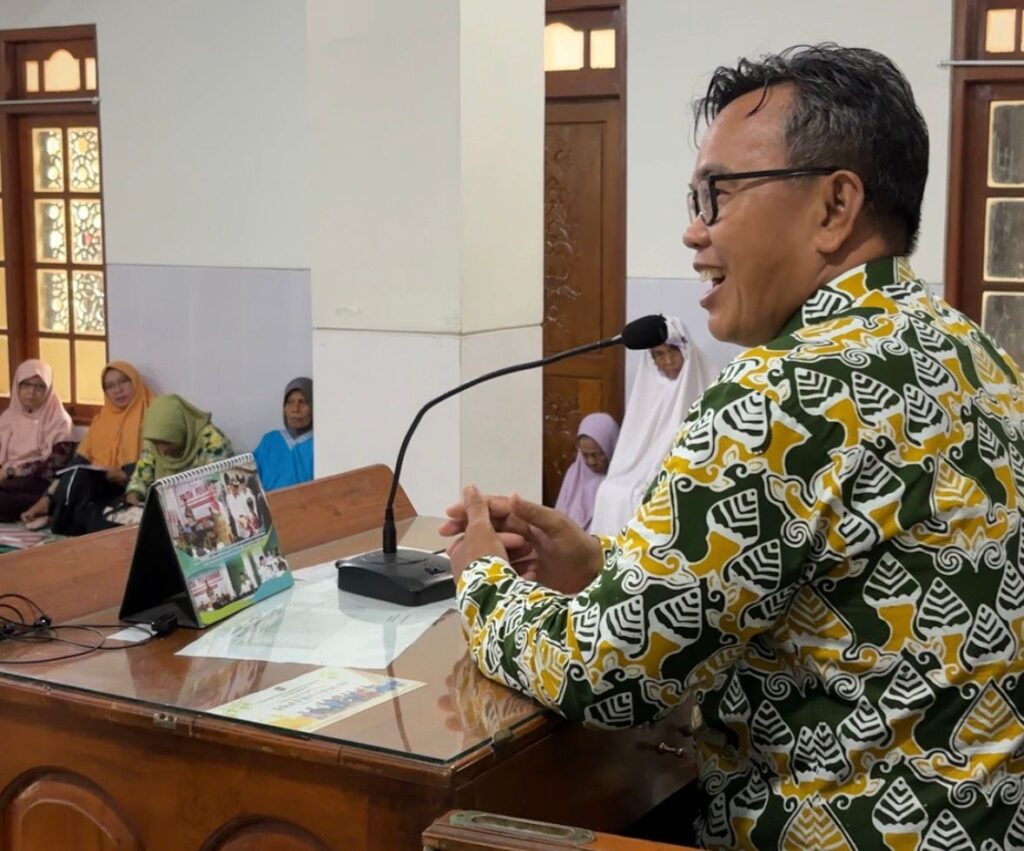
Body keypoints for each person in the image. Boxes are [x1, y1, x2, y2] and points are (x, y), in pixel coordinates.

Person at [441, 45, 1024, 849]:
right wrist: (601, 564)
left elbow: (608, 673)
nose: (692, 229)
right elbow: (816, 586)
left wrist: (481, 583)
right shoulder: (973, 353)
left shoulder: (782, 392)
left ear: (835, 205)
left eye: (718, 194)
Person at [589, 317, 717, 535]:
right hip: (641, 475)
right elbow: (633, 449)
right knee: (609, 492)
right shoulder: (649, 390)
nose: (668, 361)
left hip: (687, 479)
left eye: (673, 351)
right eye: (659, 354)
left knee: (643, 497)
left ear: (686, 351)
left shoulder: (709, 384)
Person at [21, 361, 155, 534]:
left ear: (135, 381)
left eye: (123, 381)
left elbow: (161, 460)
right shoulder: (102, 420)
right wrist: (47, 497)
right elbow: (79, 461)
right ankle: (52, 511)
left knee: (97, 519)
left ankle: (60, 519)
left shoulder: (153, 412)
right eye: (110, 386)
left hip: (134, 486)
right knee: (78, 474)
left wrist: (126, 473)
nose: (118, 390)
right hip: (103, 484)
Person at [123, 395, 233, 505]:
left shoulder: (213, 442)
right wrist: (134, 495)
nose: (162, 450)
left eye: (167, 443)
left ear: (180, 432)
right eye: (156, 443)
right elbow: (141, 477)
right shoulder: (153, 442)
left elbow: (217, 488)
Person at [0, 360, 74, 521]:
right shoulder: (8, 417)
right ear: (17, 386)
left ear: (49, 389)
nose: (31, 392)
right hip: (7, 479)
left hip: (39, 482)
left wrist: (12, 472)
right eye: (25, 385)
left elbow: (54, 467)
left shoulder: (59, 420)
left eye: (40, 386)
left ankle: (45, 507)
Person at [553, 412, 619, 531]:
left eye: (596, 455)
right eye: (585, 455)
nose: (591, 461)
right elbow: (559, 516)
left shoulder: (620, 478)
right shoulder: (574, 474)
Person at [253, 377, 313, 491]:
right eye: (290, 402)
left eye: (303, 402)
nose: (295, 409)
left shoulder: (318, 444)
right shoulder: (270, 441)